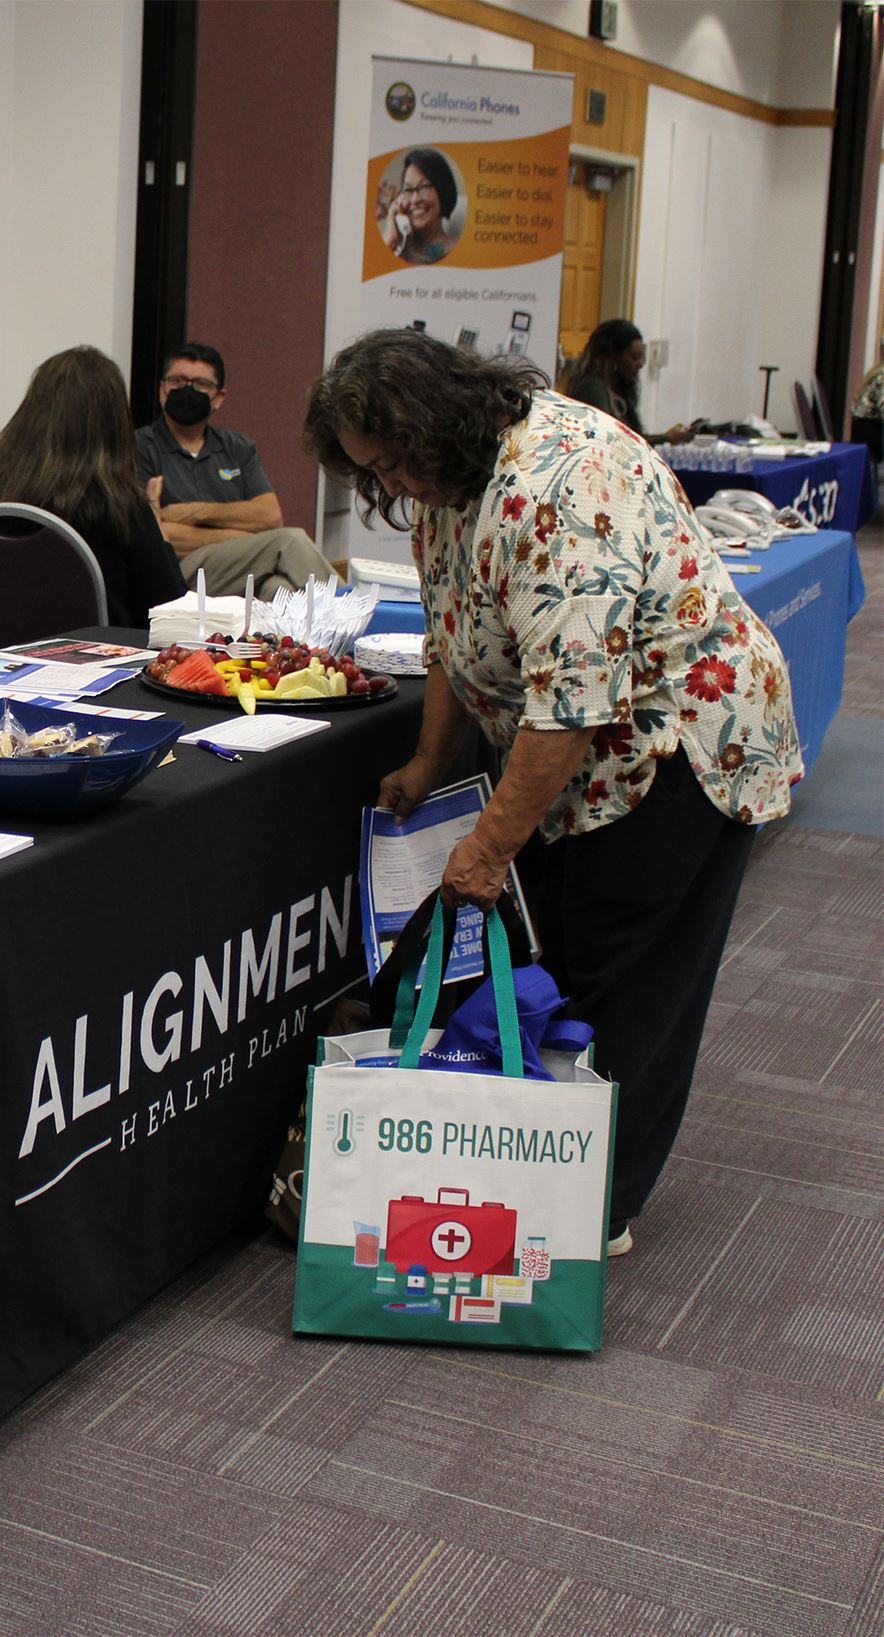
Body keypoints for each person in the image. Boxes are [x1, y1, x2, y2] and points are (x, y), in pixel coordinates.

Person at [303, 328, 803, 1255]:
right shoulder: (448, 479)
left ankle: (593, 1209)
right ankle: (548, 1163)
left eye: (396, 463)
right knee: (562, 956)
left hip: (682, 741)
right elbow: (456, 631)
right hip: (584, 751)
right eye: (376, 473)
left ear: (434, 419)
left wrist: (490, 846)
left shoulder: (563, 482)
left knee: (630, 972)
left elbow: (572, 704)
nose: (395, 486)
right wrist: (427, 759)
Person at [0, 346, 184, 627]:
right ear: (115, 423)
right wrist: (160, 534)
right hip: (93, 666)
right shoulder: (118, 502)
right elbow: (170, 612)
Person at [135, 342, 339, 595]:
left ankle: (338, 630)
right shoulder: (139, 447)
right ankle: (364, 621)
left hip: (238, 569)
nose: (187, 390)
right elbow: (159, 535)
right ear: (162, 390)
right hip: (179, 572)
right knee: (289, 541)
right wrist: (245, 536)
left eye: (201, 384)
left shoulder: (238, 448)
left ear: (219, 397)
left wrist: (195, 512)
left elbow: (270, 516)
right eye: (177, 380)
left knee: (279, 589)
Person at [562, 319, 696, 445]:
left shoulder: (618, 389)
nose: (641, 364)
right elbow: (610, 442)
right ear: (612, 358)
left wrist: (667, 437)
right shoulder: (592, 388)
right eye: (634, 357)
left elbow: (631, 440)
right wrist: (667, 438)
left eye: (641, 357)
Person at [387, 148, 457, 264]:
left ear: (443, 192)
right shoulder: (394, 246)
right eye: (408, 189)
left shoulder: (456, 251)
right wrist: (390, 241)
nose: (415, 199)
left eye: (424, 187)